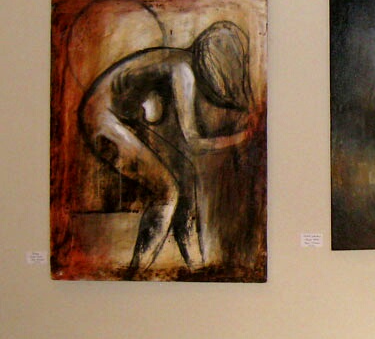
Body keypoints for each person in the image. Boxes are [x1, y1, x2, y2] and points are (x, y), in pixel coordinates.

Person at [78, 21, 253, 277]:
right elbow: (193, 140)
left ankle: (196, 267)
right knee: (167, 192)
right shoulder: (183, 72)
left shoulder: (179, 63)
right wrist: (238, 138)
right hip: (103, 120)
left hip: (119, 119)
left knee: (188, 184)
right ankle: (137, 272)